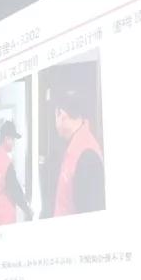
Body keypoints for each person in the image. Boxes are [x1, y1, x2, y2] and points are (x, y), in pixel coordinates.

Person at [49, 86, 105, 217]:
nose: (55, 123)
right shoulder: (75, 147)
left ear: (61, 115)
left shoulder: (87, 155)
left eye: (55, 116)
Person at [0, 94, 32, 227]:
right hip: (6, 220)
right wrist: (28, 210)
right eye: (13, 139)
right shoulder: (6, 163)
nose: (13, 143)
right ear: (7, 139)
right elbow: (16, 190)